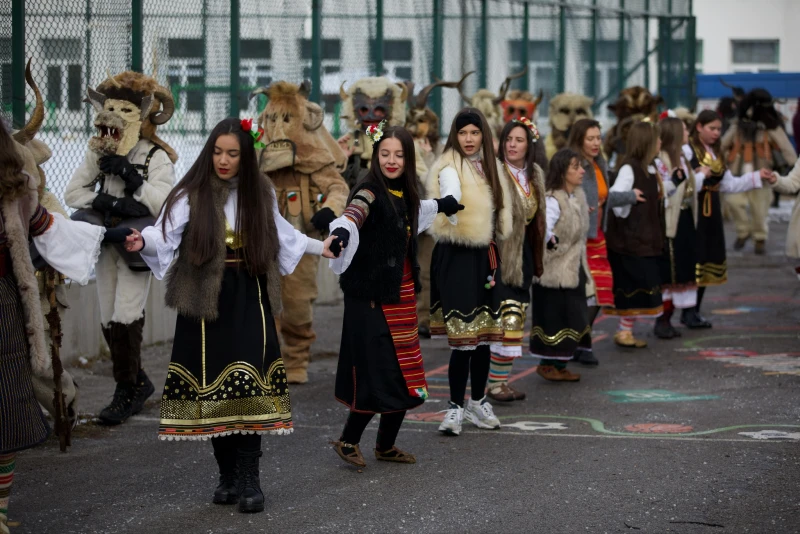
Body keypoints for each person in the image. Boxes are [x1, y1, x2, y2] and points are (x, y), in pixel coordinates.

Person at [124, 118, 339, 514]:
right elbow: (164, 234)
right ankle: (227, 476)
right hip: (205, 297)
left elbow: (282, 234)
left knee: (248, 385)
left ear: (245, 156)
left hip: (248, 293)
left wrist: (318, 247)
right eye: (218, 152)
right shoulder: (191, 192)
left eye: (233, 153)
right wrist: (143, 240)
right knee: (210, 387)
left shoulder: (260, 192)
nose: (224, 160)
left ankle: (250, 481)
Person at [326, 124, 462, 467]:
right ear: (375, 155)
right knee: (377, 374)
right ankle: (348, 441)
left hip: (400, 295)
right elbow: (353, 214)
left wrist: (445, 204)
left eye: (399, 155)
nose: (391, 160)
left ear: (408, 158)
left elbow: (415, 215)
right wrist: (341, 234)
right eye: (384, 153)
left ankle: (385, 446)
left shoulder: (406, 193)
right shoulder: (369, 191)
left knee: (406, 373)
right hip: (370, 299)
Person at [1, 122, 110, 534]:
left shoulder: (17, 187)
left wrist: (109, 236)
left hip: (5, 306)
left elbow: (48, 228)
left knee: (8, 408)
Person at [64, 71, 177, 425]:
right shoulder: (97, 151)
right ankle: (138, 381)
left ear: (142, 115)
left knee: (126, 313)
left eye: (125, 111)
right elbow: (72, 194)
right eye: (109, 108)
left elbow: (164, 204)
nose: (113, 119)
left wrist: (134, 180)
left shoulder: (155, 157)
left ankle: (124, 390)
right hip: (106, 241)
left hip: (136, 246)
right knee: (107, 316)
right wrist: (109, 204)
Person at [252, 80, 350, 385]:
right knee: (260, 301)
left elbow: (337, 186)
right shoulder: (255, 150)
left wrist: (330, 210)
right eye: (272, 118)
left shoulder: (312, 152)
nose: (278, 126)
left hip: (301, 237)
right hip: (260, 236)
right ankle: (264, 360)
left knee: (296, 301)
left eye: (286, 119)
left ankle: (296, 359)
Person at [426, 108, 514, 436]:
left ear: (483, 136)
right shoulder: (448, 164)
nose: (468, 139)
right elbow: (449, 195)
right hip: (456, 254)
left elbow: (504, 208)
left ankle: (478, 402)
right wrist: (451, 206)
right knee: (463, 340)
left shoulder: (493, 168)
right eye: (463, 133)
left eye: (474, 133)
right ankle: (454, 409)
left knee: (484, 338)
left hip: (485, 256)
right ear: (455, 135)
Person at [688, 110, 773, 324]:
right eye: (712, 129)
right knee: (691, 260)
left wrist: (757, 176)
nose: (717, 133)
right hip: (692, 212)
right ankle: (684, 312)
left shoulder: (715, 152)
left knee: (707, 259)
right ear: (699, 127)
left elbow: (730, 184)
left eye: (719, 129)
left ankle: (694, 311)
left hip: (711, 212)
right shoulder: (686, 150)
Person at [566, 118, 640, 365]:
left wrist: (631, 196)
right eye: (590, 138)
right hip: (580, 238)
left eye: (598, 137)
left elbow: (604, 198)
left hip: (598, 235)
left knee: (600, 293)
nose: (597, 142)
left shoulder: (599, 162)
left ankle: (577, 341)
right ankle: (579, 344)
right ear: (579, 140)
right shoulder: (572, 164)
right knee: (588, 294)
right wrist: (576, 208)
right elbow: (559, 195)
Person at [485, 118, 546, 402]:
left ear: (528, 145)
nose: (512, 145)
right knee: (505, 318)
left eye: (519, 140)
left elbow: (537, 220)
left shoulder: (534, 175)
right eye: (508, 139)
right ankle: (494, 385)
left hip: (523, 256)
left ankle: (500, 382)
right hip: (498, 256)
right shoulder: (493, 173)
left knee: (517, 316)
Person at [529, 148, 590, 380]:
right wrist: (550, 239)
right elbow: (541, 228)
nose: (582, 171)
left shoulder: (577, 197)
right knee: (555, 318)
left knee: (572, 317)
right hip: (553, 273)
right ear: (563, 172)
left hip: (573, 269)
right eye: (576, 167)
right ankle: (548, 364)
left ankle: (560, 363)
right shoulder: (553, 199)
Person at [604, 121, 664, 347]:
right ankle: (623, 331)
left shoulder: (651, 168)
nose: (660, 143)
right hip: (630, 242)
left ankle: (626, 330)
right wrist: (629, 200)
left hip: (646, 239)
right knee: (631, 287)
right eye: (657, 139)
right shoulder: (629, 168)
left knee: (640, 287)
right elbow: (614, 199)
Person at [721, 89, 796, 255]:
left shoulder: (771, 127)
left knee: (759, 209)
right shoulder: (737, 126)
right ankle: (743, 231)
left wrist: (795, 169)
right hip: (738, 173)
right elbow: (722, 145)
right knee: (734, 202)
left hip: (763, 174)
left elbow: (786, 148)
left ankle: (759, 239)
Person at [653, 117, 698, 338]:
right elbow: (662, 192)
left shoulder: (683, 157)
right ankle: (663, 319)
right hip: (671, 221)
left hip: (686, 219)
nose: (688, 132)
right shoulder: (662, 160)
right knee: (669, 272)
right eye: (684, 129)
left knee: (681, 270)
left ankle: (671, 317)